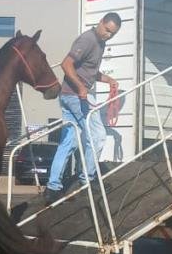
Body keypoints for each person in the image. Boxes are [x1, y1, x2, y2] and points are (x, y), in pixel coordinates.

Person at [44, 12, 121, 204]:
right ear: (101, 22)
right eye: (107, 30)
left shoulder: (100, 43)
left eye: (112, 33)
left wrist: (108, 79)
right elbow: (66, 64)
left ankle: (52, 187)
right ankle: (87, 179)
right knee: (97, 135)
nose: (108, 35)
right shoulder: (88, 39)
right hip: (75, 96)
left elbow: (89, 72)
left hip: (70, 96)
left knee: (69, 142)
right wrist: (80, 88)